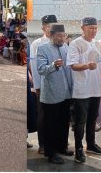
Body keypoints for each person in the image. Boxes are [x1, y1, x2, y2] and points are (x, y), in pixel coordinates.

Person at [67, 17, 101, 163]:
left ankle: (91, 144)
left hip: (95, 87)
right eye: (90, 28)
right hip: (82, 89)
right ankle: (79, 148)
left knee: (92, 118)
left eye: (95, 28)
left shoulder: (98, 44)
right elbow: (72, 65)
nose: (93, 31)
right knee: (80, 121)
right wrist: (86, 66)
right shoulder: (75, 43)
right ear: (82, 28)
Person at [37, 24, 73, 164]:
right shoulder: (42, 48)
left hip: (65, 92)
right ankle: (51, 153)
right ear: (51, 35)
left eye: (63, 35)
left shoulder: (65, 47)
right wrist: (53, 65)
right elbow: (41, 70)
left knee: (64, 122)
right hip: (51, 94)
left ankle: (62, 147)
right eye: (58, 36)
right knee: (51, 125)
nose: (61, 38)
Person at [30, 14, 58, 154]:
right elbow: (34, 67)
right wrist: (37, 86)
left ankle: (55, 143)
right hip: (42, 86)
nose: (51, 28)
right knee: (43, 115)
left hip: (57, 86)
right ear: (43, 28)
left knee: (55, 116)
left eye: (54, 25)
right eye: (49, 26)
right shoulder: (37, 44)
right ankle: (42, 144)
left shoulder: (60, 42)